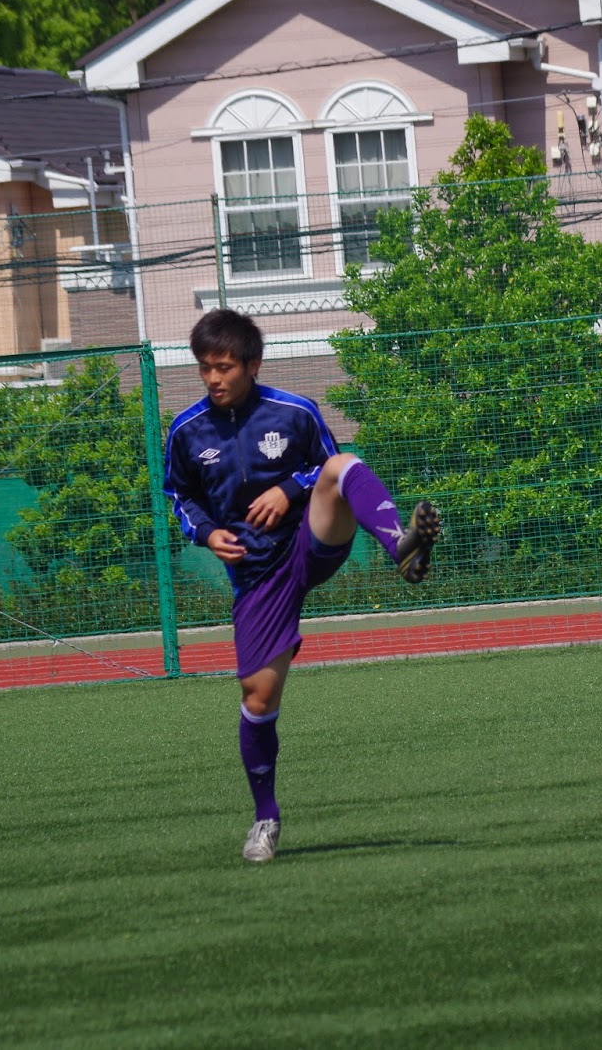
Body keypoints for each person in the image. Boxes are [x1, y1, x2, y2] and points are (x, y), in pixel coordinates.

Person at [163, 309, 442, 862]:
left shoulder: (294, 412)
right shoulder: (186, 430)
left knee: (343, 465)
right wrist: (207, 533)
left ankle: (402, 549)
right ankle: (265, 818)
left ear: (252, 364)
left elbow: (325, 467)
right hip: (256, 575)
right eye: (205, 368)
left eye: (223, 367)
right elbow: (179, 496)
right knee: (258, 697)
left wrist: (289, 490)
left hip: (308, 543)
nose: (213, 378)